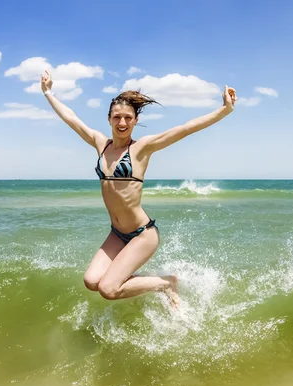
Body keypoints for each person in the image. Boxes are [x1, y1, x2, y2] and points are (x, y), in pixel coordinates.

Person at [41, 69, 236, 309]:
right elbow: (71, 118)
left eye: (127, 118)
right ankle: (146, 282)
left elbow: (186, 128)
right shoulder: (100, 144)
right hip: (117, 233)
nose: (122, 122)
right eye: (116, 117)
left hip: (142, 234)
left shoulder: (141, 148)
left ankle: (166, 283)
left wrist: (224, 110)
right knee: (91, 281)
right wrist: (49, 93)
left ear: (135, 121)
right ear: (109, 119)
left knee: (108, 289)